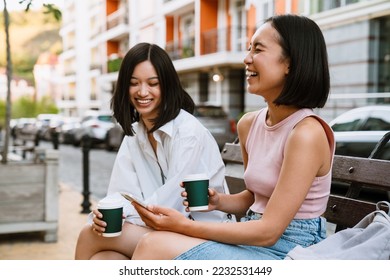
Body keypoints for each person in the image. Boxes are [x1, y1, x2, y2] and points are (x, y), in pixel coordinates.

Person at [130, 14, 335, 260]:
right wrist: (219, 202)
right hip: (251, 235)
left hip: (291, 249)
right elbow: (255, 196)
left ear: (290, 62)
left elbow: (268, 231)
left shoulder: (306, 133)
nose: (246, 58)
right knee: (112, 248)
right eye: (249, 48)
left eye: (258, 49)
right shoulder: (249, 124)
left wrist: (182, 226)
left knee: (153, 245)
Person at [74, 42, 232, 260]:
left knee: (89, 236)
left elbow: (170, 206)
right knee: (104, 259)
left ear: (167, 85)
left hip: (201, 236)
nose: (142, 92)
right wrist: (105, 214)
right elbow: (121, 193)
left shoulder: (187, 133)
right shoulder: (135, 134)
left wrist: (126, 213)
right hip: (160, 232)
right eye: (134, 83)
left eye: (153, 83)